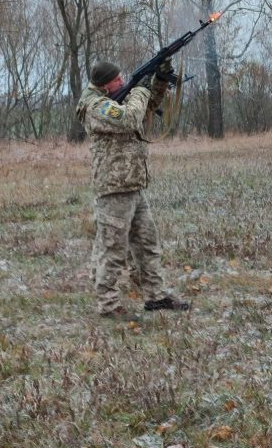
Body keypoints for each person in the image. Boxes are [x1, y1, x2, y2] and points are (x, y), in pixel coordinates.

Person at [76, 59, 190, 320]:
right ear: (105, 86)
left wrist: (158, 82)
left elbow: (148, 107)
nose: (122, 82)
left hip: (133, 184)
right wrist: (140, 89)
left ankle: (156, 296)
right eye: (117, 80)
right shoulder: (96, 107)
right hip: (114, 188)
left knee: (148, 243)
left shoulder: (115, 98)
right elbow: (128, 118)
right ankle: (108, 304)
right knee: (112, 249)